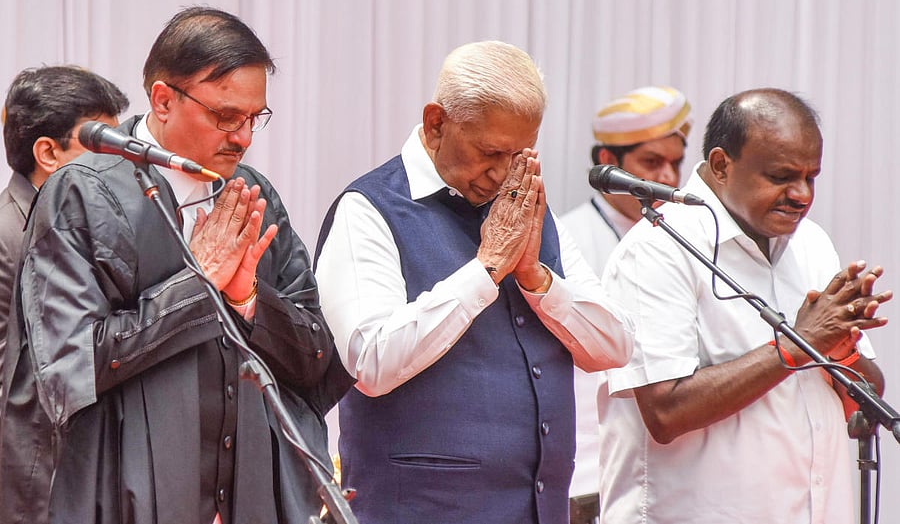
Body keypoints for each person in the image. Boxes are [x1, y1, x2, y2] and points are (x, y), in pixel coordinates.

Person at [0, 7, 354, 524]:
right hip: (127, 495)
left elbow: (317, 357)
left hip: (248, 493)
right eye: (226, 117)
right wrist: (198, 283)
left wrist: (247, 301)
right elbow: (71, 366)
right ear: (163, 99)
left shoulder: (250, 195)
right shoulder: (83, 193)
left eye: (255, 118)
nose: (244, 137)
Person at [315, 40, 635, 524]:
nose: (503, 173)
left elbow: (615, 346)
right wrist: (485, 270)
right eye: (490, 152)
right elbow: (370, 362)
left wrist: (536, 277)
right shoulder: (369, 209)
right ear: (436, 123)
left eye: (520, 154)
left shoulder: (527, 209)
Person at [598, 87, 891, 523]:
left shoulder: (811, 243)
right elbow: (665, 411)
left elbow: (864, 402)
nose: (802, 195)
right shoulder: (659, 248)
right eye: (781, 176)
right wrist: (799, 343)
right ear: (721, 165)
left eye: (811, 177)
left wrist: (841, 347)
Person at [559, 85, 691, 522]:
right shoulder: (563, 239)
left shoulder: (681, 240)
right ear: (607, 164)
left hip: (668, 471)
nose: (668, 177)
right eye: (652, 163)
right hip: (582, 473)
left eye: (675, 162)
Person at [0, 65, 128, 398]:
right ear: (49, 153)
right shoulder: (5, 235)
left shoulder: (96, 221)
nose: (119, 160)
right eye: (101, 145)